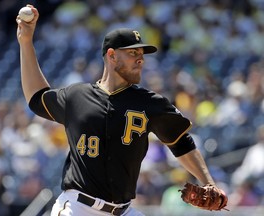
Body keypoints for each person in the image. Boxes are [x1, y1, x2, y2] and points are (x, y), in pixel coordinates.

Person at [16, 5, 226, 216]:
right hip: (78, 208)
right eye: (133, 53)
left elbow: (181, 143)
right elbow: (36, 97)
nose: (140, 59)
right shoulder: (77, 96)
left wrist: (209, 182)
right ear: (111, 55)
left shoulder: (150, 102)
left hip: (123, 211)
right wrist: (25, 42)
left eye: (142, 54)